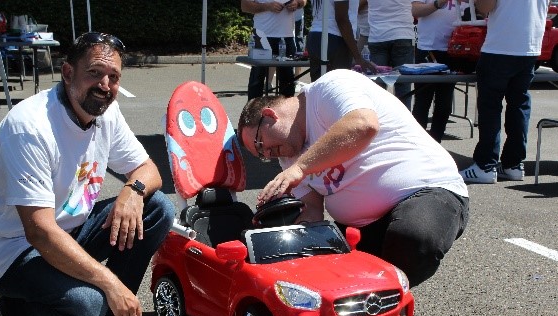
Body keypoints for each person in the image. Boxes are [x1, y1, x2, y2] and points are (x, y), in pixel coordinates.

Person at [0, 32, 176, 316]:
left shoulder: (106, 113)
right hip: (11, 249)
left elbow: (148, 170)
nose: (105, 84)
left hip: (66, 226)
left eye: (114, 77)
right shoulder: (31, 128)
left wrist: (132, 191)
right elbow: (39, 232)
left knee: (156, 207)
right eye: (95, 72)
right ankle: (20, 312)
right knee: (88, 306)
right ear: (67, 73)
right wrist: (109, 283)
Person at [236, 69, 469, 287]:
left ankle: (384, 303)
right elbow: (312, 211)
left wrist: (301, 167)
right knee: (316, 271)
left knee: (412, 239)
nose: (267, 154)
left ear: (270, 115)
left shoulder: (329, 88)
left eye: (261, 144)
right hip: (364, 228)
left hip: (428, 191)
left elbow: (363, 124)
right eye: (261, 155)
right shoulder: (289, 155)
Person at [459, 0, 550, 184]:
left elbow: (485, 6)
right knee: (519, 105)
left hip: (501, 46)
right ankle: (513, 164)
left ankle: (485, 165)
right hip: (530, 46)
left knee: (490, 107)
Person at [411, 0, 463, 142]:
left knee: (444, 103)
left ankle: (436, 143)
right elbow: (414, 10)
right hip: (428, 48)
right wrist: (437, 3)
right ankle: (418, 145)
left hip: (454, 50)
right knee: (422, 101)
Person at [242, 0, 306, 99]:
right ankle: (253, 112)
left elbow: (304, 1)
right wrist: (267, 7)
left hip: (286, 37)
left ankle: (286, 112)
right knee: (257, 79)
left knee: (287, 81)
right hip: (262, 35)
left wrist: (297, 3)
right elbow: (245, 6)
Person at [306, 0, 376, 82]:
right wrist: (358, 57)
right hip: (335, 39)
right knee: (338, 86)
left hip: (316, 35)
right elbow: (341, 18)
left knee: (319, 88)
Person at [366, 0, 416, 108]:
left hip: (378, 36)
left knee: (377, 88)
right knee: (403, 88)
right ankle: (403, 122)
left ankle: (379, 122)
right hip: (402, 33)